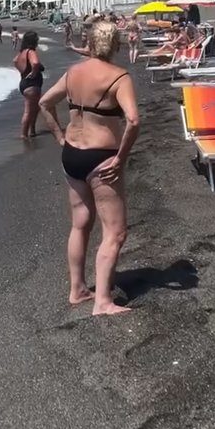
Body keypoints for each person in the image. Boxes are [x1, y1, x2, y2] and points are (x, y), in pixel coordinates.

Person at [39, 22, 140, 316]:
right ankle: (103, 302)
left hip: (72, 155)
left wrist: (59, 136)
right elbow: (133, 120)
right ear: (116, 45)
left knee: (80, 223)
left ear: (90, 44)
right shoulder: (119, 77)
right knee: (116, 232)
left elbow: (45, 102)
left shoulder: (74, 72)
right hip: (102, 157)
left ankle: (78, 289)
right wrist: (121, 157)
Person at [13, 31, 44, 139]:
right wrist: (34, 72)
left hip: (25, 83)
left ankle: (32, 130)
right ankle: (24, 134)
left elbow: (15, 61)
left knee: (35, 108)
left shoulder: (22, 52)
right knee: (29, 110)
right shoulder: (31, 52)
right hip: (32, 84)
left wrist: (23, 71)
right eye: (37, 40)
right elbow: (35, 63)